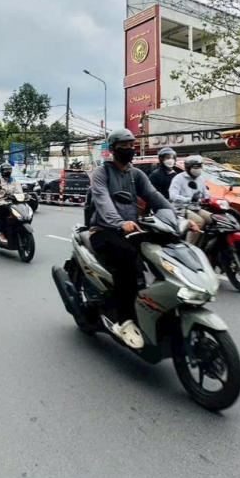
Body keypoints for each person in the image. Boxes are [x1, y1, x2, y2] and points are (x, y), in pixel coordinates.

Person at [88, 128, 173, 349]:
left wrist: (178, 217)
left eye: (130, 145)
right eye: (123, 146)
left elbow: (154, 196)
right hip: (104, 229)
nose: (128, 149)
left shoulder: (136, 175)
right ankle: (123, 320)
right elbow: (103, 201)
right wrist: (119, 222)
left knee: (162, 255)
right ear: (113, 149)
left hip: (131, 229)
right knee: (127, 260)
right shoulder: (101, 173)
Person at [169, 155, 212, 243]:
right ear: (188, 168)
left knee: (214, 219)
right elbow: (173, 196)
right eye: (195, 167)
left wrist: (207, 198)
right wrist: (190, 199)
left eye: (200, 167)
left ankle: (205, 245)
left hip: (195, 208)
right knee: (199, 221)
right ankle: (190, 245)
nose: (198, 169)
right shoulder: (178, 178)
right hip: (181, 209)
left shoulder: (200, 179)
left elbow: (205, 193)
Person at [0, 163, 23, 243]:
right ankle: (1, 233)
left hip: (13, 203)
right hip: (0, 203)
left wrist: (21, 196)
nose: (8, 171)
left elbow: (19, 191)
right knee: (5, 215)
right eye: (6, 170)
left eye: (9, 169)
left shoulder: (14, 181)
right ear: (2, 171)